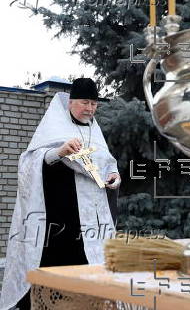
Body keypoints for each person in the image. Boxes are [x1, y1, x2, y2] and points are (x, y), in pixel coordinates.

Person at [0, 78, 121, 310]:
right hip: (57, 222)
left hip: (90, 224)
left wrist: (115, 177)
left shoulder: (95, 130)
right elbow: (30, 163)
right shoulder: (54, 126)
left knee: (86, 281)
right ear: (71, 102)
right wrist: (59, 151)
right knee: (54, 283)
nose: (90, 109)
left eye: (94, 104)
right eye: (85, 102)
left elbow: (108, 165)